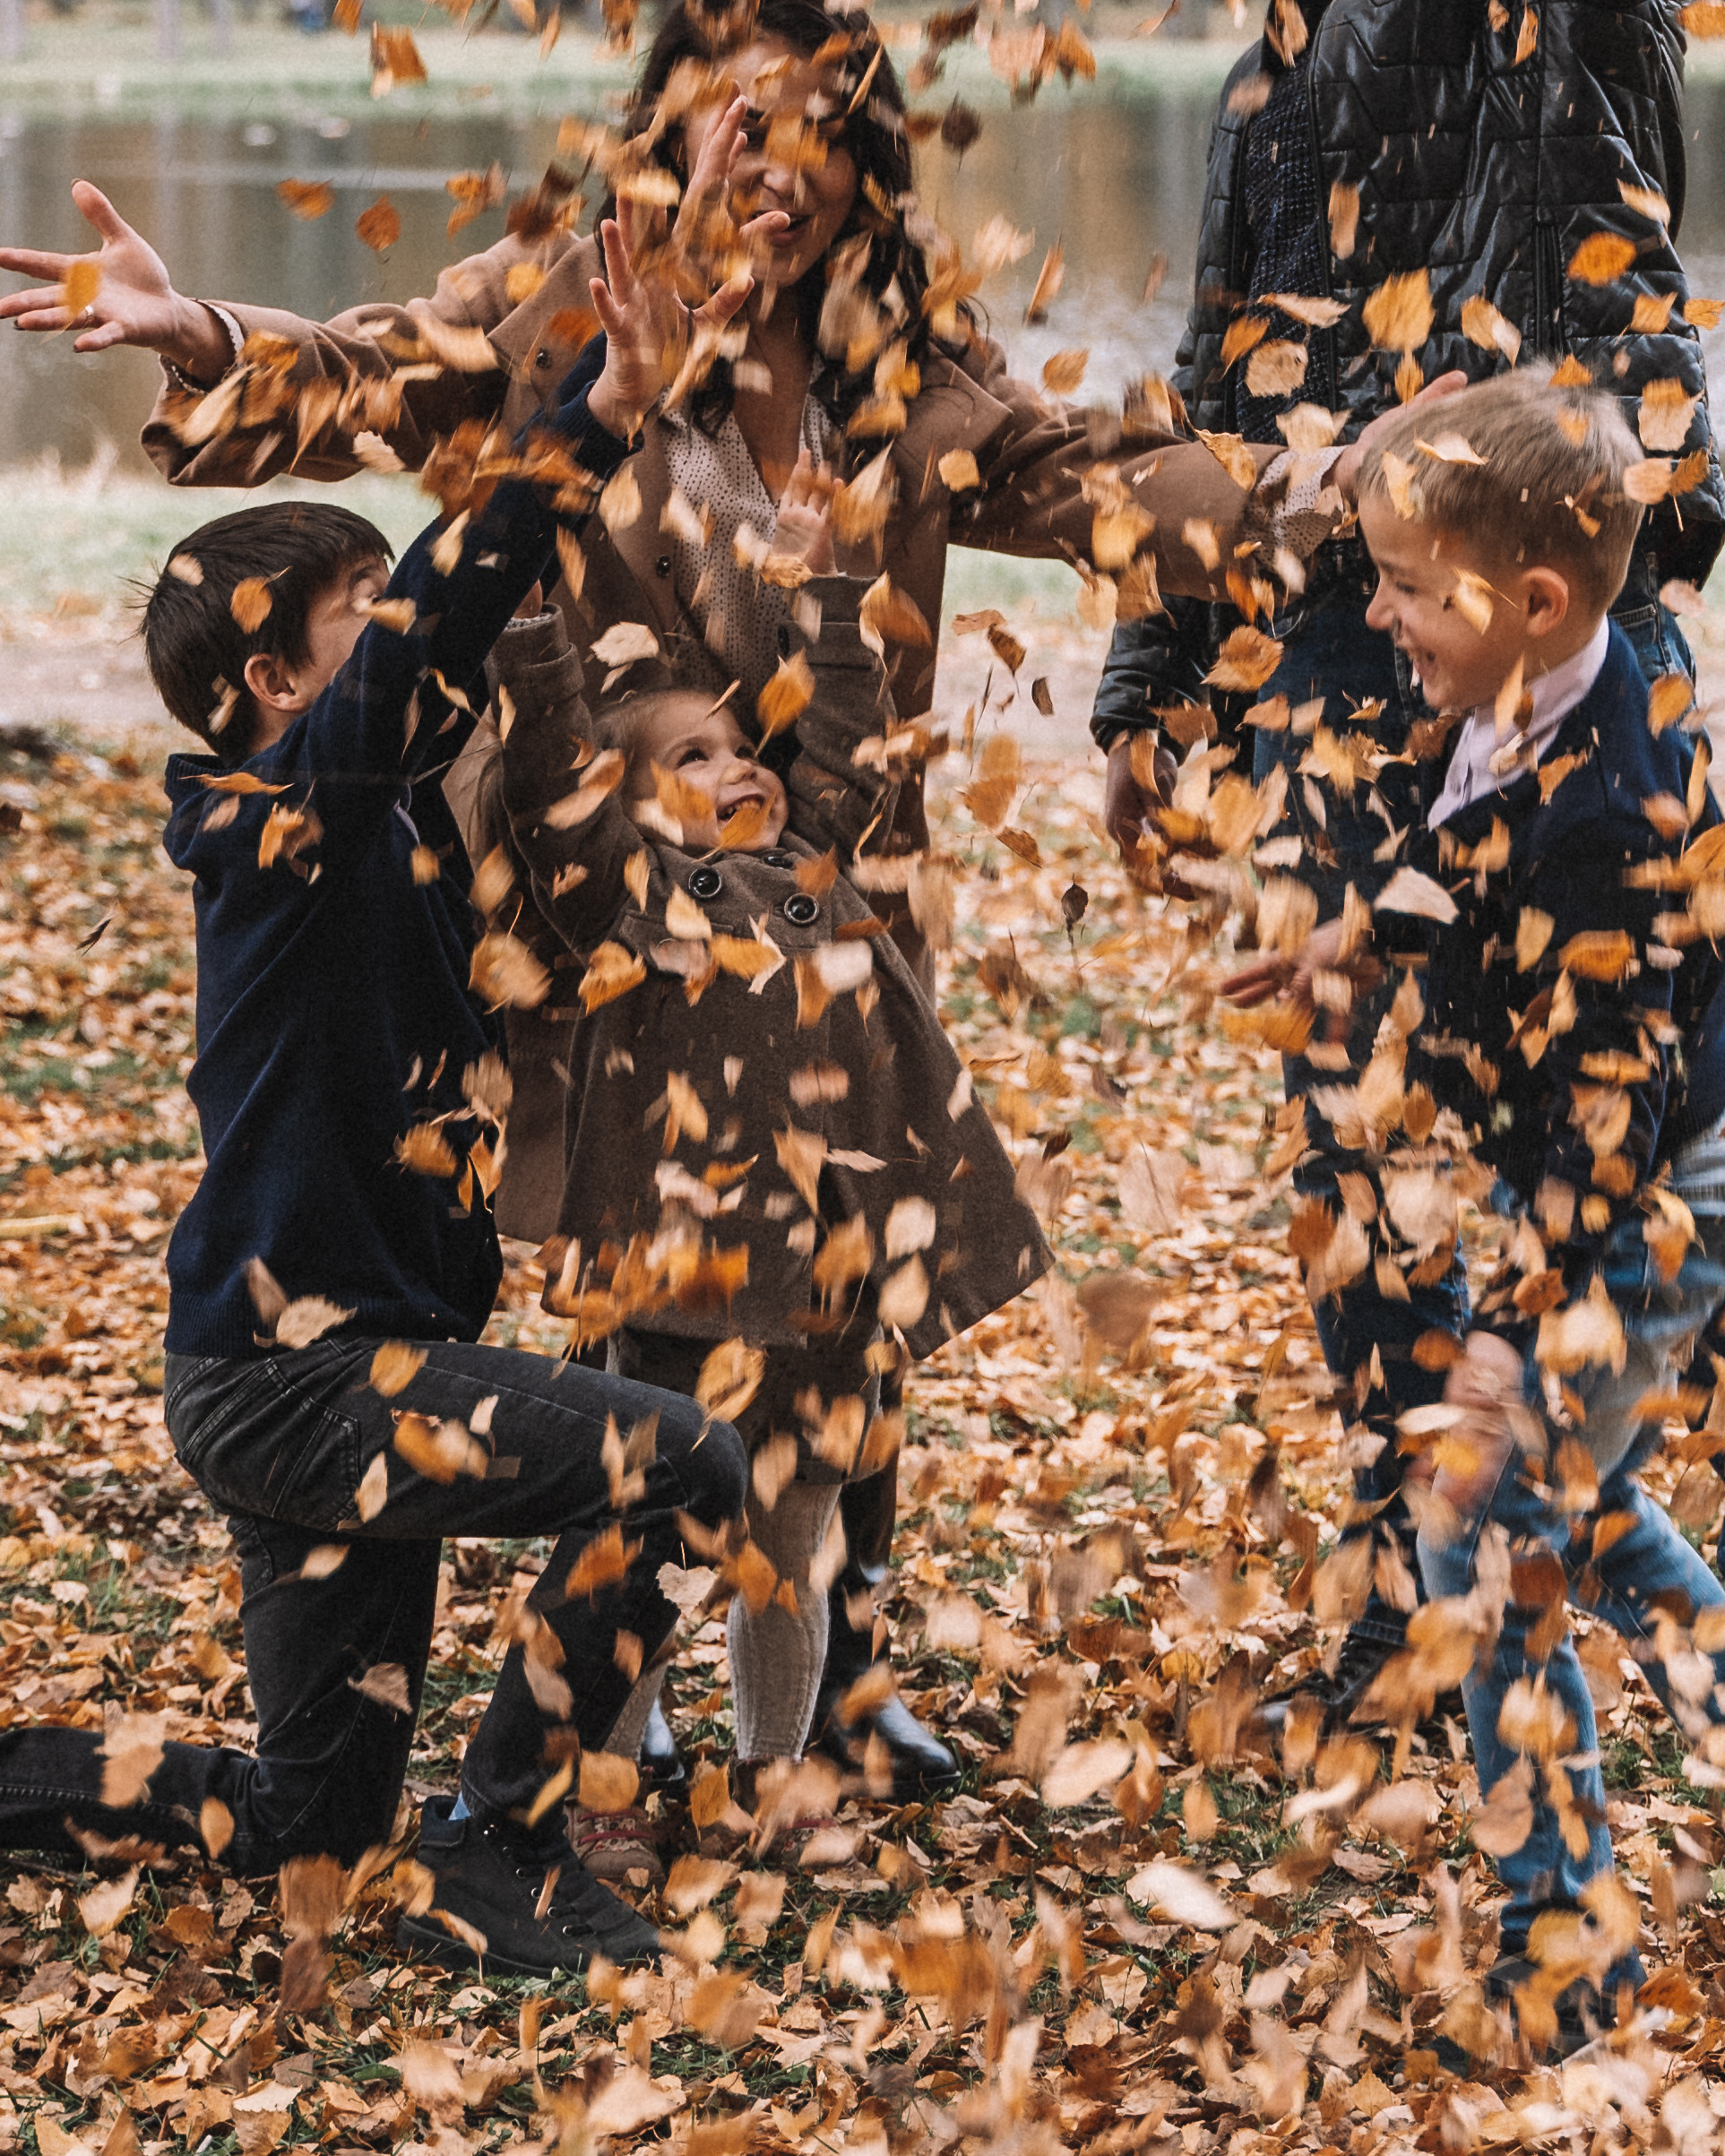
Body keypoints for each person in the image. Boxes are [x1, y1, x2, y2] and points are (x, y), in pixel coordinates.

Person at [0, 0, 1363, 1797]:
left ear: (863, 153)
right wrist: (210, 336)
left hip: (836, 907)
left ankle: (835, 1701)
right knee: (668, 1312)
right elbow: (371, 364)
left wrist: (1322, 495)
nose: (769, 165)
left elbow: (1089, 477)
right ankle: (615, 1740)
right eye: (733, 120)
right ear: (667, 133)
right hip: (617, 905)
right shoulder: (568, 305)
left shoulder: (898, 368)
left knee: (850, 1309)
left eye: (809, 126)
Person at [0, 228, 755, 1979]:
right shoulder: (286, 825)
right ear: (278, 688)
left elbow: (507, 654)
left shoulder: (397, 817)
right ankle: (500, 1839)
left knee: (314, 1828)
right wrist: (589, 405)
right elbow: (454, 599)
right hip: (300, 1385)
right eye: (359, 629)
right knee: (686, 1467)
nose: (405, 652)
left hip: (324, 1365)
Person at [1091, 0, 1723, 1731]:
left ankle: (1558, 1534)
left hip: (1516, 662)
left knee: (1598, 1138)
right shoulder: (1270, 55)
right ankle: (1411, 1592)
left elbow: (1657, 404)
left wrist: (1557, 535)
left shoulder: (1563, 22)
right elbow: (1227, 363)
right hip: (1321, 675)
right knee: (1352, 1158)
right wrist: (1151, 669)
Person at [1233, 369, 1725, 2059]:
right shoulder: (1509, 695)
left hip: (1655, 1177)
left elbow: (1612, 1116)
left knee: (1479, 1526)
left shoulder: (1613, 809)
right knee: (1548, 1512)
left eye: (1394, 584)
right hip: (1576, 1149)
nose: (1371, 614)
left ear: (1526, 599)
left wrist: (1514, 1331)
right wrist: (1340, 943)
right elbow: (1447, 848)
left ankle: (1563, 1948)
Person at [484, 448, 1050, 1880]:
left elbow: (845, 737)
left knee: (792, 1536)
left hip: (822, 1277)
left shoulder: (806, 864)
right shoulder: (632, 903)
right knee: (646, 1534)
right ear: (622, 803)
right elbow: (550, 766)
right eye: (691, 757)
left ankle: (768, 1775)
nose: (736, 767)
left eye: (737, 747)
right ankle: (608, 1778)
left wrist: (829, 576)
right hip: (677, 1281)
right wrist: (529, 610)